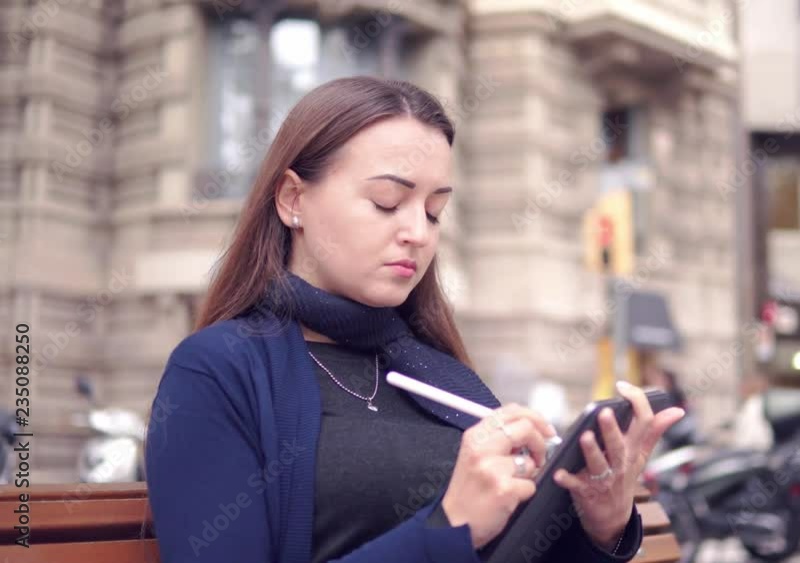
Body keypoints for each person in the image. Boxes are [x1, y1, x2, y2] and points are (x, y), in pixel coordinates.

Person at [143, 77, 685, 563]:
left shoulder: (437, 371)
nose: (418, 233)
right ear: (292, 199)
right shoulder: (217, 370)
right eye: (387, 201)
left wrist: (599, 524)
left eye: (433, 211)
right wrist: (445, 530)